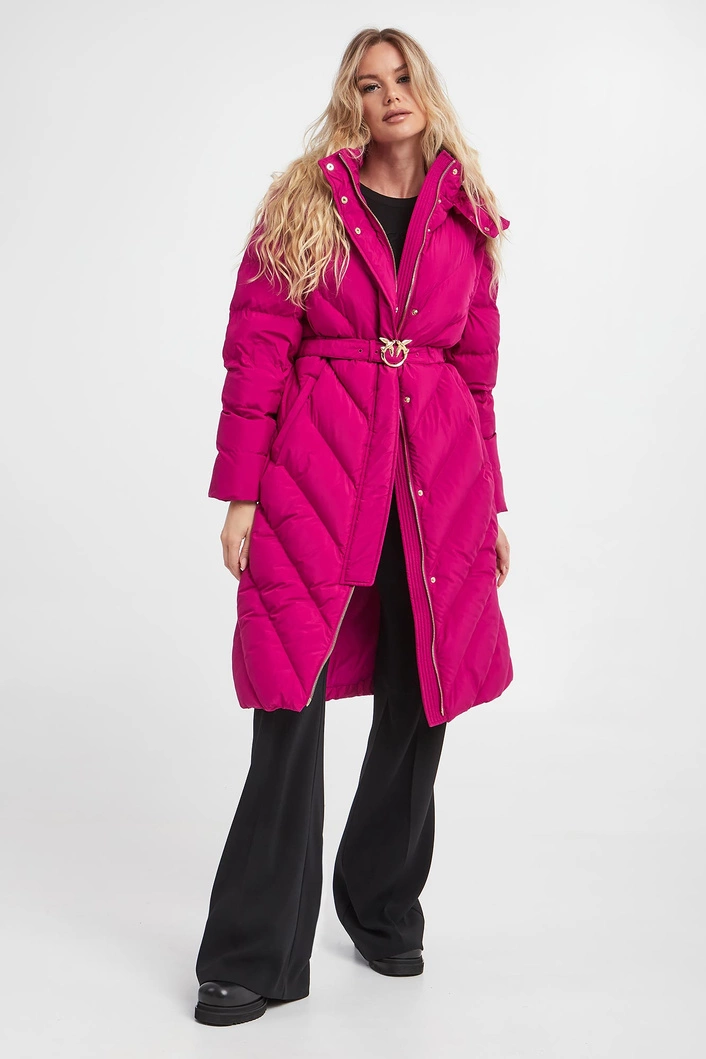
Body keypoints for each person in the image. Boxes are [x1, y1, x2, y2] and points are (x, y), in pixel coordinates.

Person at [194, 26, 513, 1027]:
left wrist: (493, 504)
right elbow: (256, 354)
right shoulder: (303, 204)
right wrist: (242, 496)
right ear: (353, 103)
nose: (390, 96)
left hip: (438, 484)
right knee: (288, 704)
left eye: (402, 77)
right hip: (318, 476)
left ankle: (379, 906)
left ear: (426, 88)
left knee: (423, 697)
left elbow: (476, 378)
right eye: (369, 85)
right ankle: (253, 952)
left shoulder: (468, 217)